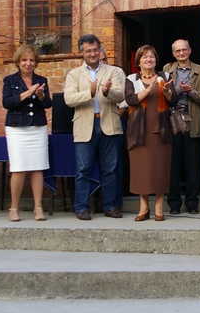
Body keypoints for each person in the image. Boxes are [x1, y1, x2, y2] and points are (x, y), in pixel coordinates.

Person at [63, 34, 126, 220]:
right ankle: (81, 208)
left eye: (95, 49)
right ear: (81, 53)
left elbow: (120, 96)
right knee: (83, 169)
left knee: (110, 169)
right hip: (85, 125)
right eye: (88, 51)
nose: (92, 53)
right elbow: (69, 99)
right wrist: (89, 93)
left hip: (108, 123)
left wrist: (107, 91)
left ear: (100, 50)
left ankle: (110, 206)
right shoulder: (74, 74)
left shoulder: (112, 71)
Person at [123, 45, 177, 221]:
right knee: (141, 170)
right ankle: (143, 206)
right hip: (138, 131)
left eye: (152, 57)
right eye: (145, 57)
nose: (149, 60)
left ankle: (159, 205)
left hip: (160, 129)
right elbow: (130, 99)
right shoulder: (131, 79)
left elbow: (174, 100)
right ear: (138, 61)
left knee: (160, 169)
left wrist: (168, 91)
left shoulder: (165, 77)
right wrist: (148, 89)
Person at [2, 44, 52, 222]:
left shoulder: (42, 79)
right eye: (24, 60)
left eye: (31, 60)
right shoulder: (10, 80)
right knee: (19, 168)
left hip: (37, 127)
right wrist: (28, 92)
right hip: (17, 129)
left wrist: (39, 96)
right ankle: (14, 208)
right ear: (18, 62)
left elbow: (48, 104)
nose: (28, 63)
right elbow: (7, 103)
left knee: (38, 167)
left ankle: (38, 208)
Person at [163, 39, 200, 215]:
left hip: (192, 117)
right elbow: (163, 96)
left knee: (192, 163)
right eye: (178, 51)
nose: (181, 53)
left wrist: (191, 92)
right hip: (172, 118)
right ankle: (174, 204)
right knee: (173, 163)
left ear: (190, 51)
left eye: (184, 50)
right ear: (174, 54)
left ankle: (192, 203)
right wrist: (179, 91)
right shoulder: (167, 70)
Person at [101, 47, 127, 211]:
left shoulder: (117, 72)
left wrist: (114, 118)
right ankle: (98, 201)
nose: (102, 62)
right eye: (99, 59)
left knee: (114, 164)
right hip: (94, 123)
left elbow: (124, 102)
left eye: (104, 59)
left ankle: (115, 203)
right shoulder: (85, 73)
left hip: (115, 121)